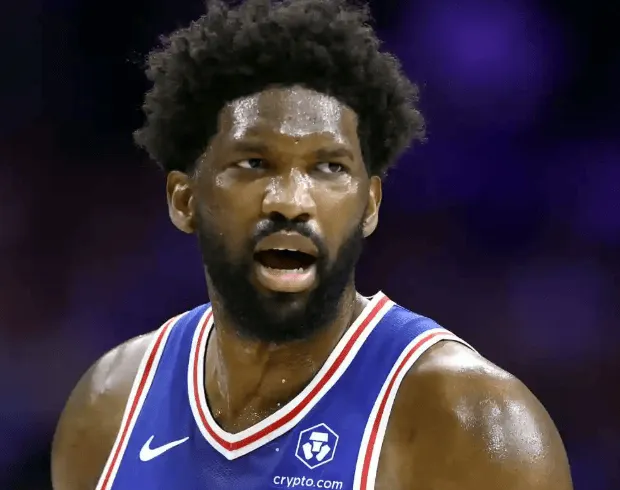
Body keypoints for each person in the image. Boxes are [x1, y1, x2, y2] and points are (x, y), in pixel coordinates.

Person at [51, 1, 573, 489]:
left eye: (329, 167)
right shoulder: (110, 405)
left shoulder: (474, 425)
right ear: (184, 200)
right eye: (254, 163)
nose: (290, 201)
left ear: (370, 206)